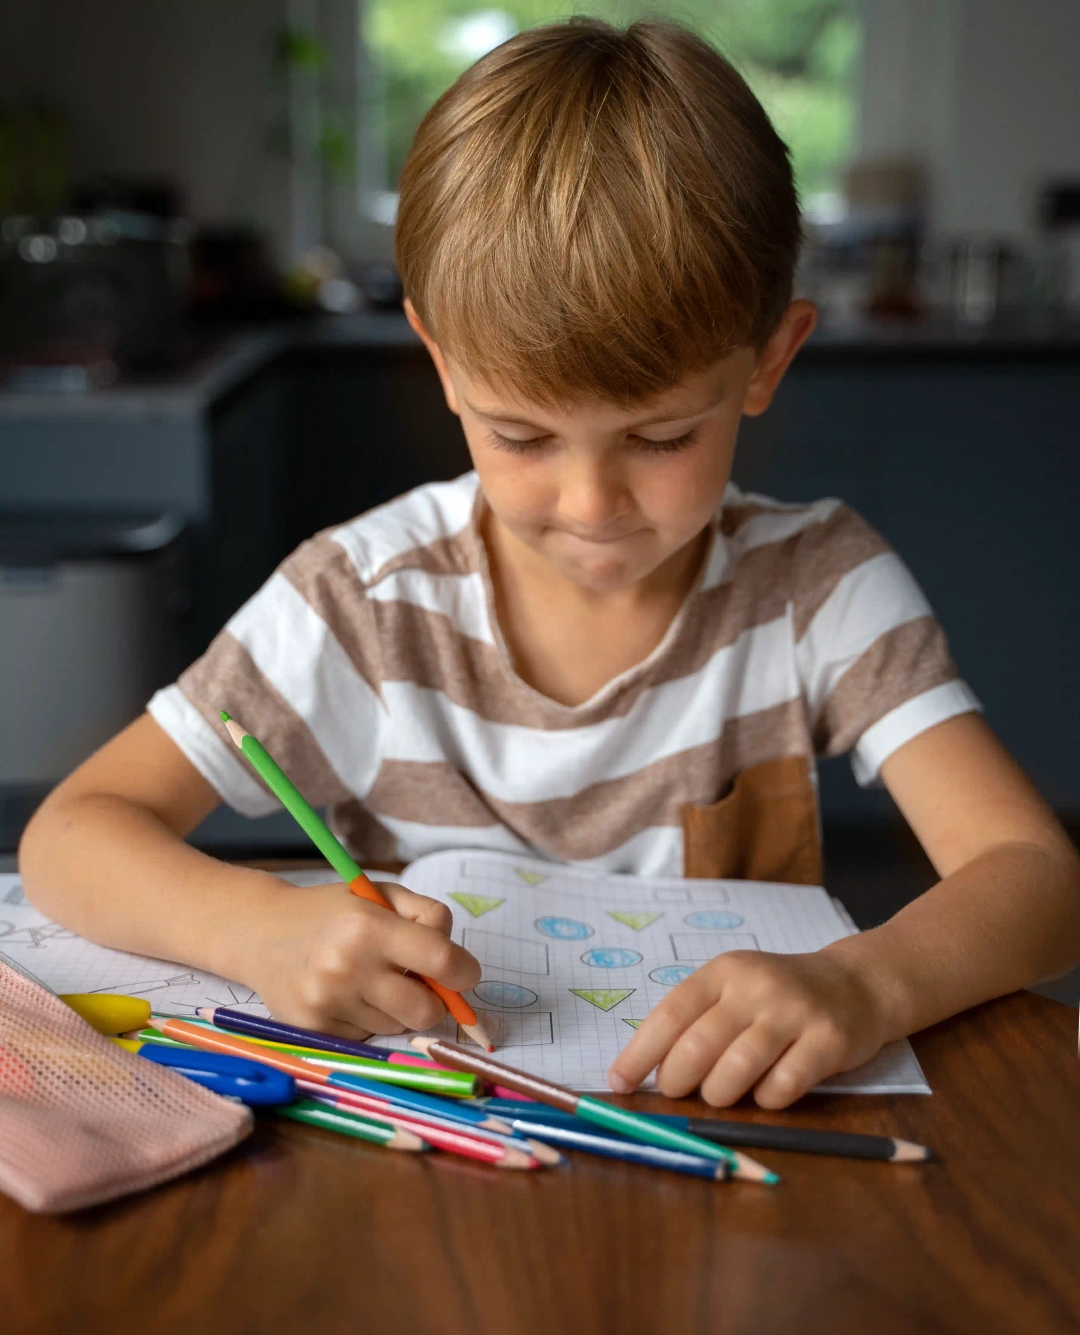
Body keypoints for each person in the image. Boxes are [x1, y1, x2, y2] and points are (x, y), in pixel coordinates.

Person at [19, 19, 1080, 1109]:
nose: (589, 504)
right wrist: (257, 929)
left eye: (661, 437)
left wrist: (866, 983)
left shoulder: (820, 585)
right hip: (439, 1127)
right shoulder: (360, 601)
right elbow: (73, 831)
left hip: (727, 1133)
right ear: (441, 363)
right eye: (522, 436)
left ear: (769, 360)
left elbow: (1038, 879)